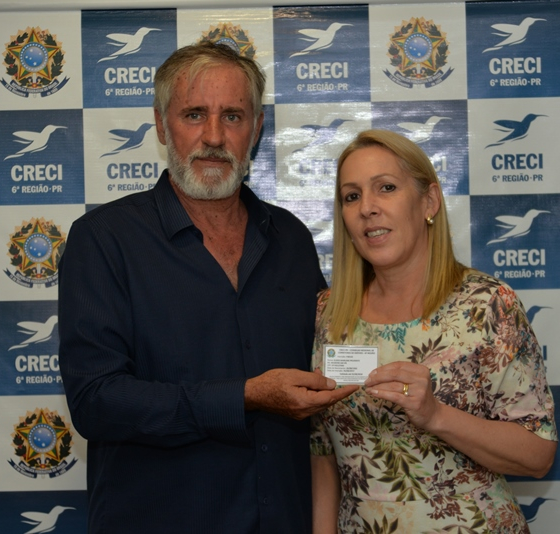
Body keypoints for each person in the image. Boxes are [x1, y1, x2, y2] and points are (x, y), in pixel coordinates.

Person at [57, 42, 357, 534]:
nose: (214, 136)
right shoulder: (104, 240)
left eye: (233, 116)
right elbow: (96, 401)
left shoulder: (291, 238)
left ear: (256, 129)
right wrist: (244, 397)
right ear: (161, 125)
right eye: (194, 114)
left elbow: (328, 360)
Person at [310, 129, 557, 533]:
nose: (367, 208)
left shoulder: (487, 304)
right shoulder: (329, 312)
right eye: (352, 196)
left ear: (429, 201)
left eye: (386, 188)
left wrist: (436, 414)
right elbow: (322, 451)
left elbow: (538, 455)